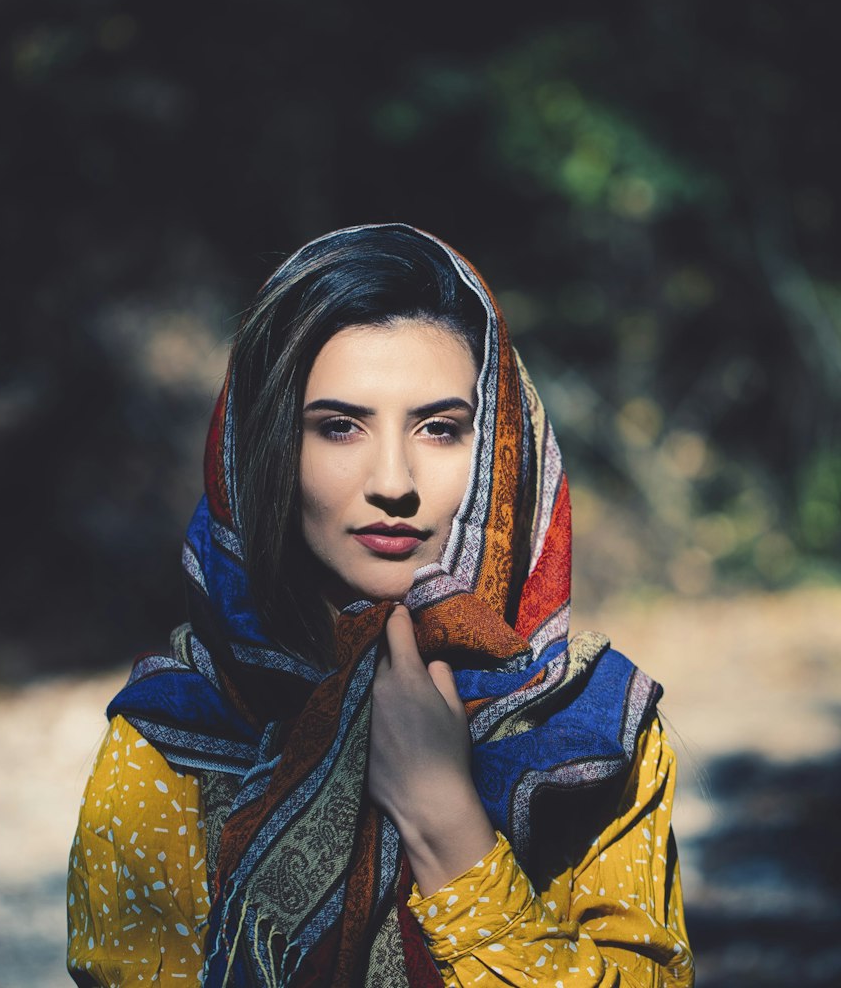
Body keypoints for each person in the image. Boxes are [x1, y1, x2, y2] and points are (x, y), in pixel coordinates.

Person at [66, 224, 695, 987]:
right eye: (339, 426)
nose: (392, 481)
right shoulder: (175, 735)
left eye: (439, 428)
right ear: (268, 453)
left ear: (500, 447)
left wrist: (446, 829)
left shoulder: (589, 725)